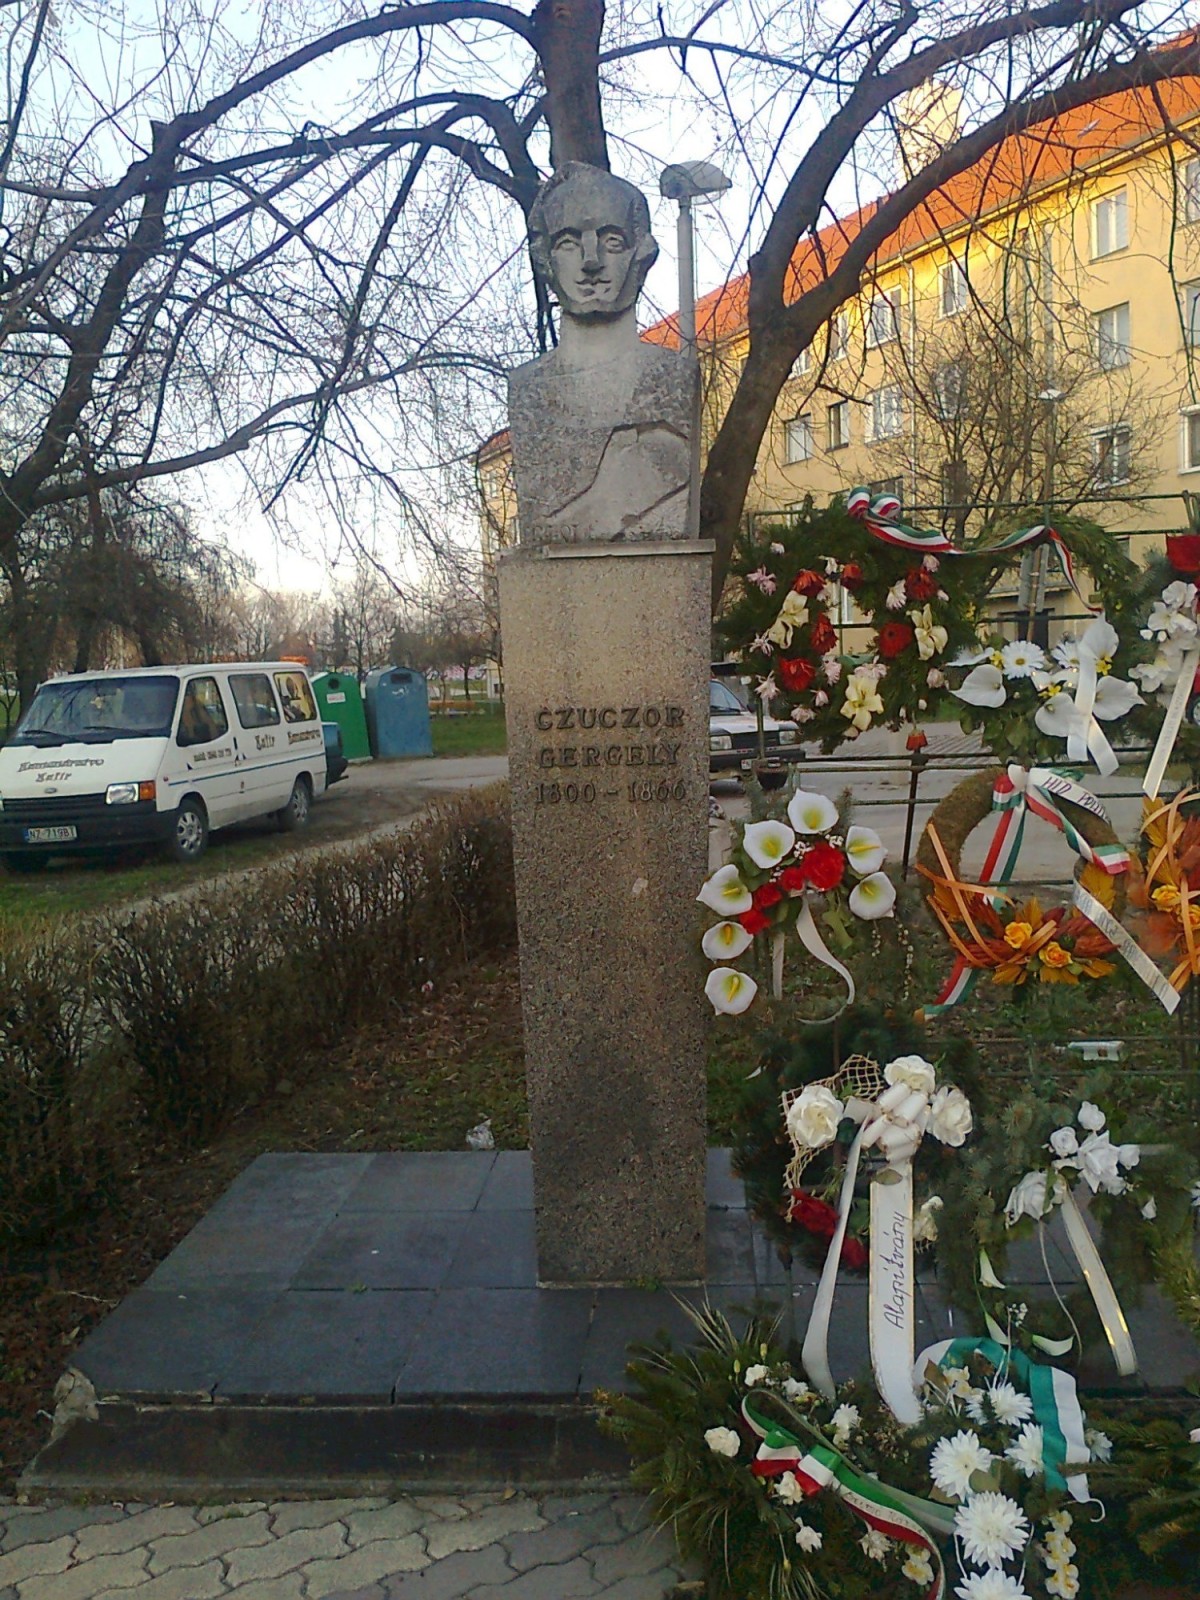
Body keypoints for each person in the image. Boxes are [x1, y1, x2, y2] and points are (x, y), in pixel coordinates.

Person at [508, 163, 697, 545]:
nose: (591, 261)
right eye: (568, 243)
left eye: (612, 241)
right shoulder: (528, 391)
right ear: (545, 259)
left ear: (641, 253)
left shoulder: (673, 380)